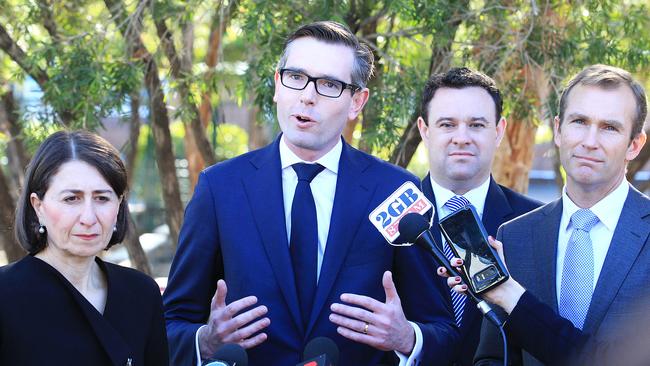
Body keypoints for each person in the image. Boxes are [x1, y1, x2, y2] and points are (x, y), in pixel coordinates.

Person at [163, 21, 457, 366]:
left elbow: (444, 331)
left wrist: (408, 339)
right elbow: (170, 324)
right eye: (296, 77)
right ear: (277, 84)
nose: (307, 95)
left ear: (357, 102)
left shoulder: (395, 191)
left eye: (329, 84)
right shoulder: (220, 187)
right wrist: (206, 341)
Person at [454, 64, 648, 366]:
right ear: (558, 130)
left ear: (635, 145)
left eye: (610, 127)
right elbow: (494, 357)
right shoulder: (515, 236)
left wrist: (511, 296)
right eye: (579, 121)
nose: (590, 141)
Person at [0, 130, 168, 365]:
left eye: (102, 198)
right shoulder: (5, 295)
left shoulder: (141, 293)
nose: (88, 217)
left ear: (119, 205)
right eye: (72, 199)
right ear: (38, 207)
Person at [416, 67, 541, 365]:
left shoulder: (536, 223)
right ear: (424, 130)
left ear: (498, 132)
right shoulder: (387, 217)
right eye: (447, 124)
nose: (462, 138)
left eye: (476, 125)